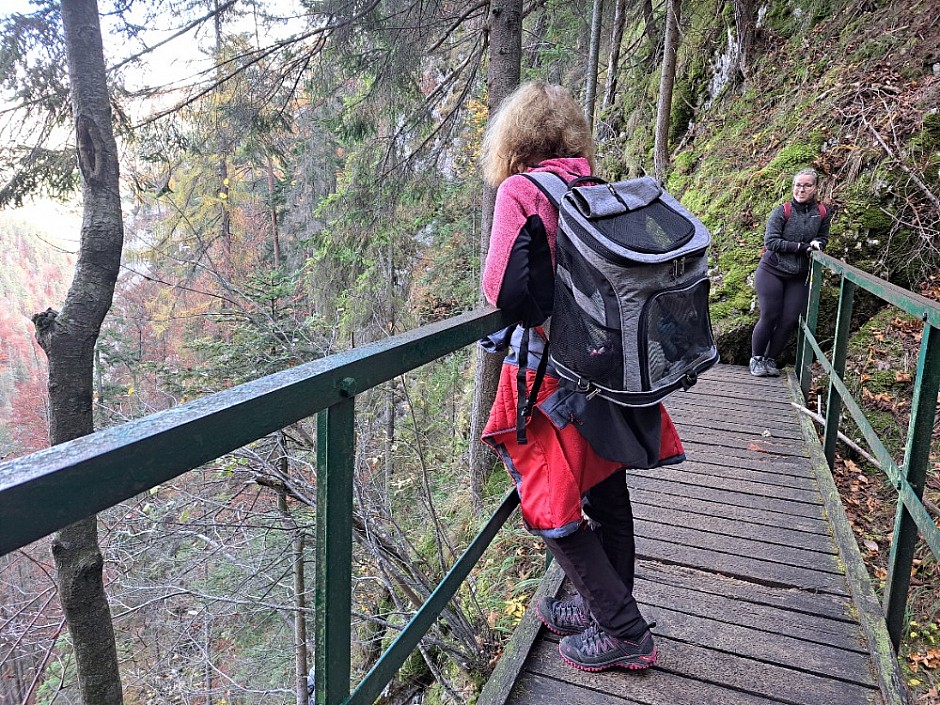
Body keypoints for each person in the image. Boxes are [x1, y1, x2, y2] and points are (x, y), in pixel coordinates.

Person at [478, 82, 685, 672]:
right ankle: (605, 607)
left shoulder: (520, 190)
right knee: (604, 488)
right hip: (603, 361)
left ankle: (624, 630)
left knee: (548, 499)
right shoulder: (592, 183)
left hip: (548, 370)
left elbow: (498, 287)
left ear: (514, 138)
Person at [750, 168, 833, 377]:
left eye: (806, 185)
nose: (801, 189)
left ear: (815, 188)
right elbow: (770, 241)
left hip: (798, 274)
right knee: (770, 314)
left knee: (789, 319)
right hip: (772, 270)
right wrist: (800, 247)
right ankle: (756, 358)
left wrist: (818, 243)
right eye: (798, 185)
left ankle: (770, 359)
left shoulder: (822, 212)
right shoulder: (782, 211)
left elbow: (824, 237)